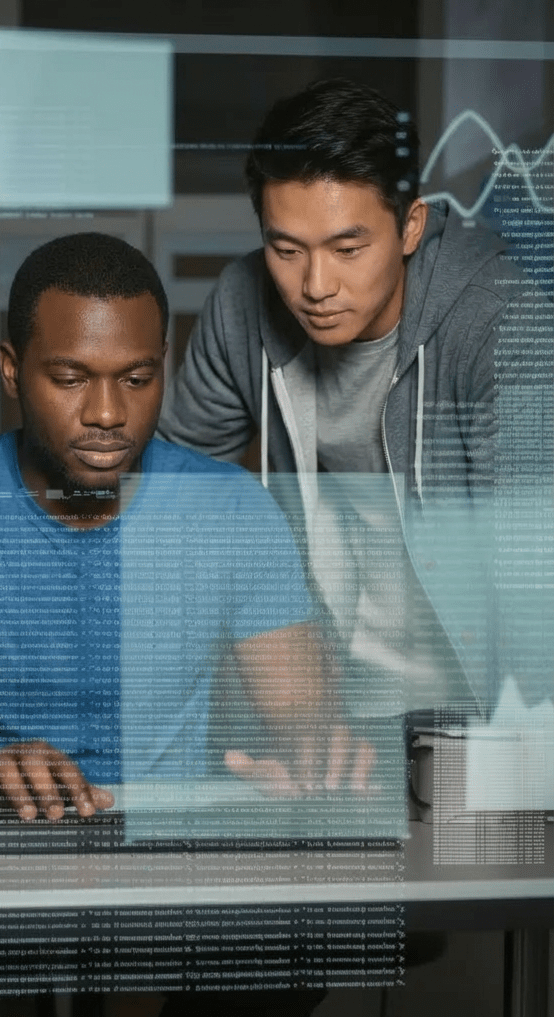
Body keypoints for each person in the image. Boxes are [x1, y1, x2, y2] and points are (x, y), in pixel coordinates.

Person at [0, 231, 373, 827]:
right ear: (12, 370)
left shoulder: (229, 510)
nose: (107, 413)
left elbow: (301, 707)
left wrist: (317, 752)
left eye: (135, 378)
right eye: (72, 378)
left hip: (163, 856)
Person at [159, 78, 552, 718]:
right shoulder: (242, 304)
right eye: (286, 250)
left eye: (348, 249)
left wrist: (515, 752)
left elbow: (534, 574)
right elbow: (175, 495)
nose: (316, 285)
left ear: (411, 226)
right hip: (329, 706)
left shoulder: (501, 324)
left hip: (480, 704)